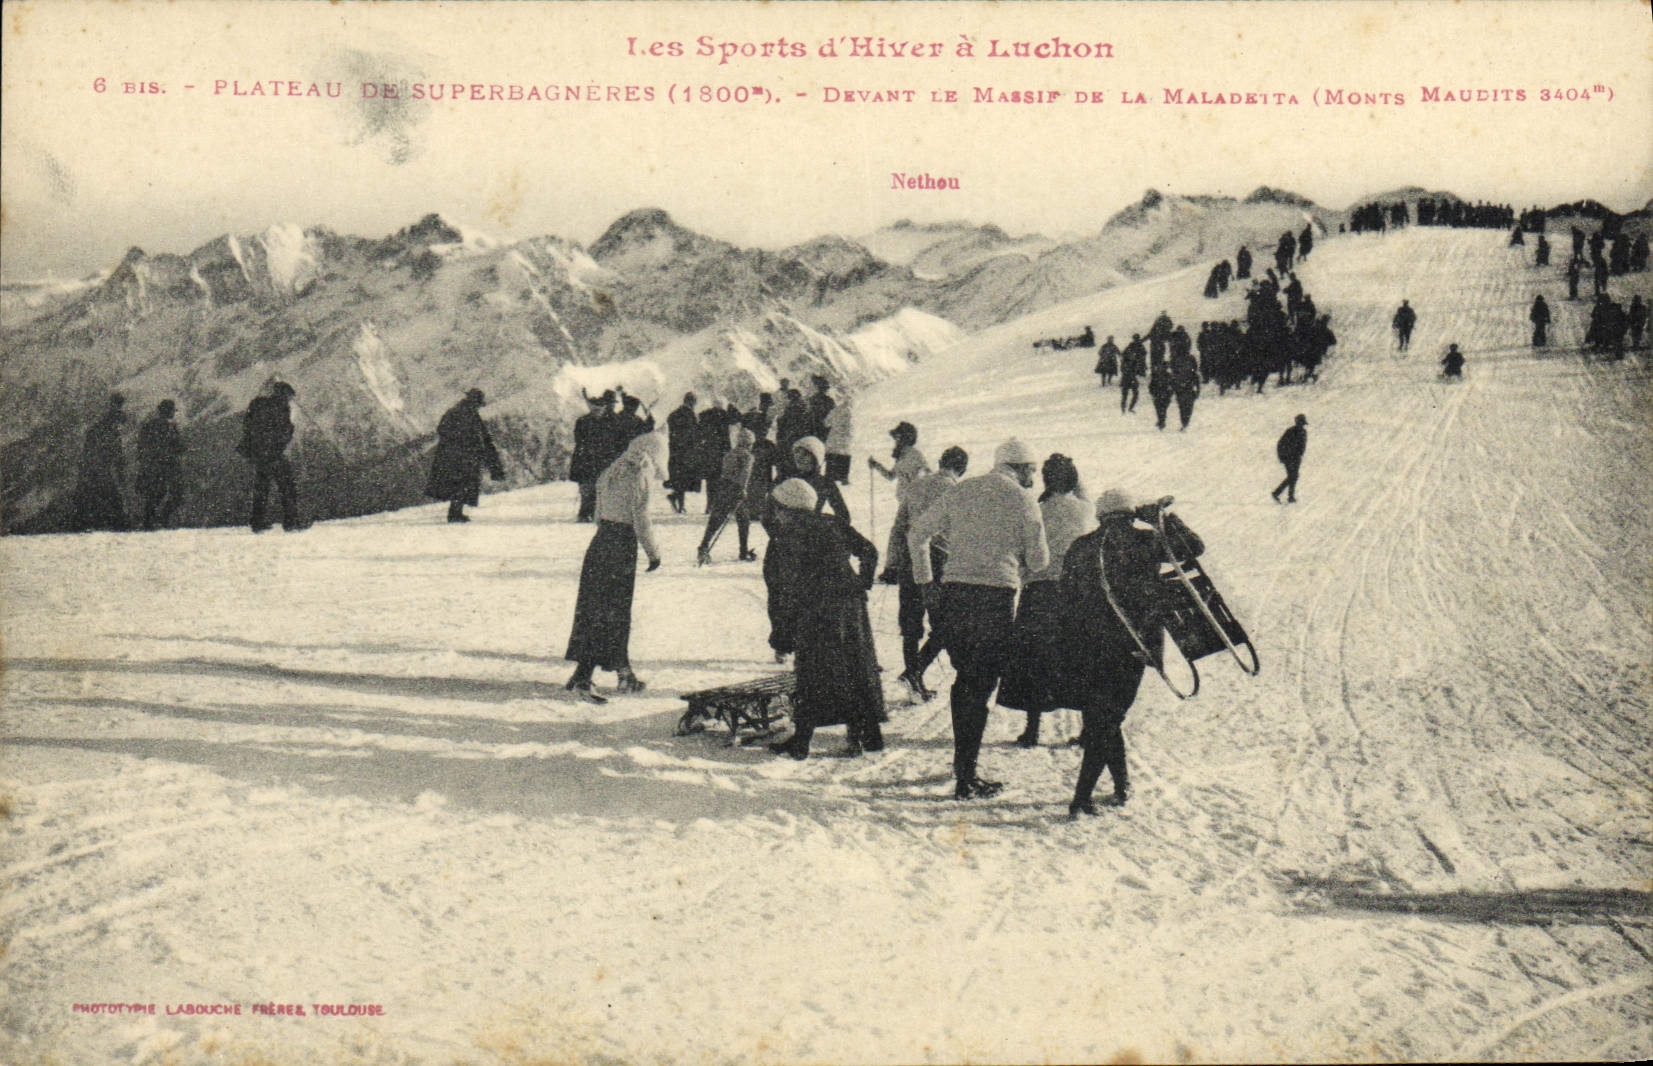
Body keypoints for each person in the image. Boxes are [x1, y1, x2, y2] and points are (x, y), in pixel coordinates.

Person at [909, 438, 1049, 800]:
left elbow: (917, 534)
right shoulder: (1023, 500)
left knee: (964, 681)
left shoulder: (963, 490)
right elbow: (1039, 562)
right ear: (1020, 468)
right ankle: (966, 776)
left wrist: (926, 583)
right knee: (981, 684)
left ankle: (963, 765)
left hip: (954, 595)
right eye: (1031, 471)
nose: (1033, 477)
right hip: (994, 600)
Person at [1058, 491, 1205, 815]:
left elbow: (1064, 598)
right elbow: (1194, 547)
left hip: (1089, 646)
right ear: (1129, 514)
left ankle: (1121, 786)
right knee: (1107, 720)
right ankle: (1081, 799)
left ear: (1100, 516)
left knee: (1102, 718)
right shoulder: (1146, 541)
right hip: (1134, 646)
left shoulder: (1081, 547)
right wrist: (1162, 520)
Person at [765, 479, 885, 760]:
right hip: (850, 607)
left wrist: (782, 634)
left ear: (786, 508)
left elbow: (780, 590)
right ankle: (869, 736)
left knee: (812, 674)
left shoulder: (784, 537)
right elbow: (869, 551)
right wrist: (862, 582)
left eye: (777, 508)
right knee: (855, 667)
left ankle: (801, 742)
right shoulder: (832, 523)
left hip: (815, 611)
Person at [996, 454, 1094, 747]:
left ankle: (1032, 729)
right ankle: (1089, 729)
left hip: (1039, 591)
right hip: (1076, 593)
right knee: (1079, 658)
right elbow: (1082, 494)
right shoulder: (1085, 509)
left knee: (1035, 660)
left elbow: (1024, 552)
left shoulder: (1036, 510)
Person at [564, 432, 667, 699]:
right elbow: (641, 518)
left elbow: (598, 510)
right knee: (615, 611)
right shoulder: (640, 474)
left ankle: (586, 673)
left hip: (601, 542)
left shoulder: (614, 467)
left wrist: (606, 530)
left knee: (593, 608)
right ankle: (619, 674)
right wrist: (653, 553)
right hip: (621, 544)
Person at [893, 445, 967, 701]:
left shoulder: (915, 486)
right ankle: (914, 673)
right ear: (962, 469)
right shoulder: (957, 490)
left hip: (909, 558)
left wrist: (892, 562)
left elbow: (898, 526)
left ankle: (913, 677)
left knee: (911, 624)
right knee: (943, 624)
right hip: (940, 560)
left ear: (940, 461)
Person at [425, 389, 505, 523]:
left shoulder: (457, 412)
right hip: (461, 456)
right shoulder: (467, 414)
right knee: (462, 483)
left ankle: (456, 513)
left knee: (459, 484)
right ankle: (455, 514)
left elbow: (442, 430)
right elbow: (482, 438)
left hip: (452, 456)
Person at [868, 421, 930, 583]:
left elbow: (925, 474)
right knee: (901, 536)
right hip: (905, 503)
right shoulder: (902, 456)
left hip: (913, 505)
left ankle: (894, 572)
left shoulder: (915, 456)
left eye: (897, 438)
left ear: (904, 438)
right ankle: (897, 571)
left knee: (900, 536)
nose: (895, 441)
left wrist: (916, 491)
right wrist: (876, 466)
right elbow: (891, 476)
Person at [239, 381, 303, 532]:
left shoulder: (259, 404)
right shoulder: (281, 408)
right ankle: (291, 522)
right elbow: (284, 433)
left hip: (258, 452)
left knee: (262, 486)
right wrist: (290, 430)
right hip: (273, 453)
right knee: (287, 486)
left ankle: (258, 522)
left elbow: (247, 425)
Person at [697, 425, 757, 564]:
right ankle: (743, 551)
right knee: (744, 521)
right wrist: (742, 490)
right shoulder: (748, 456)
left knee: (717, 518)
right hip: (735, 489)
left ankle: (703, 546)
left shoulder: (730, 453)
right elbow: (745, 475)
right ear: (749, 443)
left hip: (723, 486)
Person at [73, 393, 130, 532]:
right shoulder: (110, 431)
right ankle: (118, 528)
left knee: (94, 499)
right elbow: (117, 455)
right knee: (112, 500)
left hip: (92, 469)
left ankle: (87, 525)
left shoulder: (99, 428)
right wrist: (120, 473)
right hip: (99, 469)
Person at [134, 399, 184, 531]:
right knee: (175, 494)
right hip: (167, 465)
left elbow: (141, 447)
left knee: (155, 495)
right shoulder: (171, 427)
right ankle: (162, 519)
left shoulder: (149, 426)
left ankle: (150, 522)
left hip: (153, 465)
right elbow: (179, 447)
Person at [569, 390, 615, 522]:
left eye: (599, 407)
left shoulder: (610, 422)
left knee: (602, 488)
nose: (597, 410)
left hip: (601, 460)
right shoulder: (583, 421)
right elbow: (580, 441)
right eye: (594, 407)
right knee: (587, 489)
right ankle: (586, 513)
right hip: (587, 460)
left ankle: (598, 513)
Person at [664, 392, 701, 514]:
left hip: (674, 450)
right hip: (687, 451)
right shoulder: (691, 415)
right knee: (683, 478)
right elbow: (695, 433)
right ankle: (679, 504)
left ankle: (678, 501)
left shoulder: (673, 414)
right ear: (692, 402)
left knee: (678, 478)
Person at [1272, 414, 1307, 504]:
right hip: (1289, 457)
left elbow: (1302, 446)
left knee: (1293, 476)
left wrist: (1300, 454)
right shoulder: (1290, 431)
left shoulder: (1303, 432)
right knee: (1293, 476)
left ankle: (1288, 496)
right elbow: (1281, 444)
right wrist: (1282, 456)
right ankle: (1278, 493)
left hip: (1296, 458)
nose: (1302, 425)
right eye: (1301, 423)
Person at [822, 391, 855, 484]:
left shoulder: (835, 410)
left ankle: (830, 476)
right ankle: (843, 477)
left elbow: (826, 423)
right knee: (844, 456)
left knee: (832, 455)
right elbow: (850, 426)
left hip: (834, 437)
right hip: (844, 439)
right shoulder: (850, 412)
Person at [1119, 333, 1147, 414]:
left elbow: (1144, 353)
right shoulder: (1130, 348)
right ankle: (1124, 409)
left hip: (1130, 378)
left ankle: (1128, 408)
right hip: (1128, 378)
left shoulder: (1135, 349)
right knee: (1126, 395)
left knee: (1133, 394)